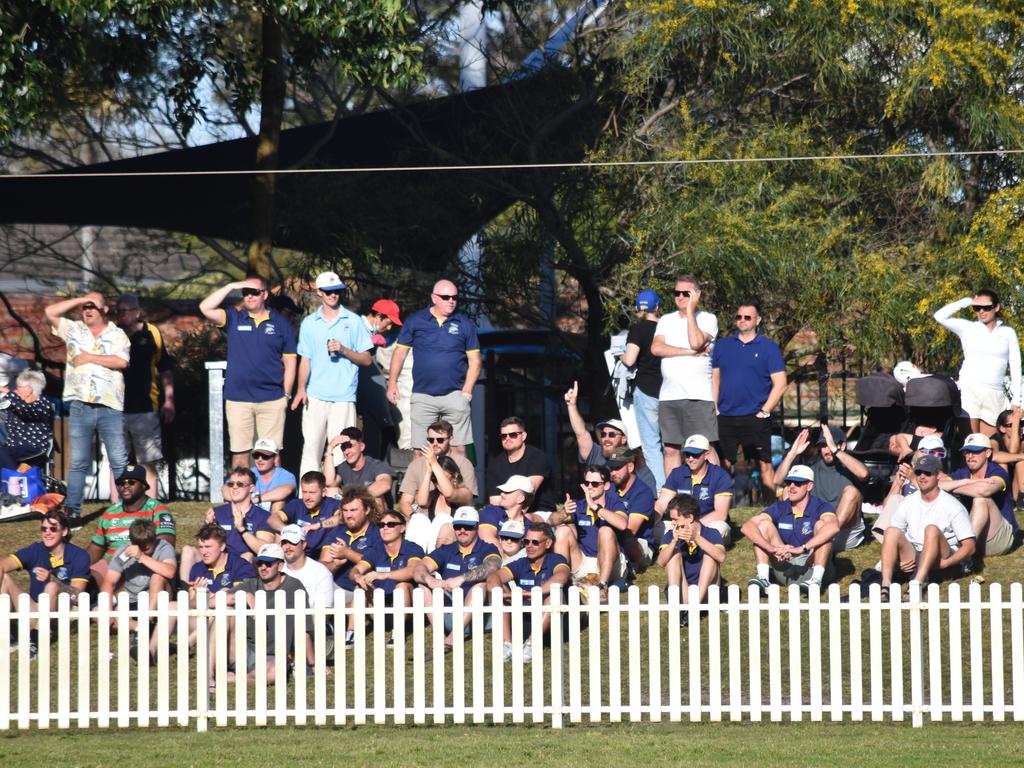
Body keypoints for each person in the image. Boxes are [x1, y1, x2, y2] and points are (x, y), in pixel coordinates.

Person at [45, 291, 130, 523]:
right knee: (79, 462)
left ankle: (128, 509)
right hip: (80, 405)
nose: (88, 310)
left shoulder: (117, 334)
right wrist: (79, 300)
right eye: (85, 307)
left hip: (109, 405)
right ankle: (72, 511)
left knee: (118, 460)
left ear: (105, 309)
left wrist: (89, 357)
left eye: (93, 306)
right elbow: (50, 312)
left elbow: (121, 361)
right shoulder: (74, 329)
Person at [198, 276, 297, 469]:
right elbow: (205, 308)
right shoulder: (234, 317)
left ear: (265, 295)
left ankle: (273, 498)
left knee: (272, 455)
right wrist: (231, 286)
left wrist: (286, 394)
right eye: (246, 293)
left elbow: (290, 361)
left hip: (272, 399)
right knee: (240, 454)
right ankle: (241, 498)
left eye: (255, 292)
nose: (250, 296)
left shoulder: (281, 323)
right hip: (238, 399)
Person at [293, 272, 374, 475]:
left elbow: (367, 359)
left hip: (344, 397)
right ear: (319, 292)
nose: (333, 295)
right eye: (328, 291)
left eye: (337, 290)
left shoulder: (354, 321)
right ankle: (307, 499)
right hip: (315, 395)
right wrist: (301, 389)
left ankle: (339, 500)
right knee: (311, 449)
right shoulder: (309, 323)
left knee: (342, 450)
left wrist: (344, 350)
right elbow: (305, 359)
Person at [388, 279, 481, 454]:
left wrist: (466, 392)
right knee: (420, 451)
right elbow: (400, 353)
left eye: (454, 297)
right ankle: (425, 483)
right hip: (423, 396)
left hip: (455, 394)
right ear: (434, 298)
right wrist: (392, 383)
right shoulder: (416, 320)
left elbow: (475, 360)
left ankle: (454, 482)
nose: (451, 301)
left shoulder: (465, 324)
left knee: (459, 451)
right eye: (445, 297)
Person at [711, 301, 787, 496]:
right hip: (726, 414)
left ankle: (771, 509)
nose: (742, 320)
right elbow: (715, 378)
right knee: (724, 464)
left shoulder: (768, 348)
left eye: (747, 317)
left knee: (764, 463)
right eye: (739, 316)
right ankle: (723, 508)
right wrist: (715, 407)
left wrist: (765, 410)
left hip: (755, 415)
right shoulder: (722, 346)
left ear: (758, 320)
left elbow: (780, 383)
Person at [651, 275, 719, 477]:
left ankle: (716, 493)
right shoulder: (665, 320)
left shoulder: (708, 318)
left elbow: (696, 341)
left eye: (686, 293)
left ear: (696, 295)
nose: (680, 297)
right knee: (671, 449)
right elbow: (656, 348)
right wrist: (689, 352)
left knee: (704, 448)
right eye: (677, 293)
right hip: (669, 395)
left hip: (697, 395)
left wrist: (691, 310)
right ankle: (673, 496)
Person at [880, 454, 977, 594]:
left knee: (931, 529)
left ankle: (917, 584)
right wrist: (898, 563)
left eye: (928, 473)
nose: (922, 477)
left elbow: (970, 547)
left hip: (942, 558)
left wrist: (947, 563)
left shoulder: (953, 505)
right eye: (918, 472)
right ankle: (886, 585)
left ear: (938, 475)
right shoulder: (909, 501)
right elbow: (894, 538)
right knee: (891, 531)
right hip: (916, 554)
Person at [933, 289, 1022, 435]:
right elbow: (939, 316)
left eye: (986, 307)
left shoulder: (1008, 333)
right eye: (977, 308)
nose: (981, 311)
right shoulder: (967, 328)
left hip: (995, 393)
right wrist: (966, 302)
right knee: (969, 442)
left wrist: (1016, 401)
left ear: (996, 307)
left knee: (990, 444)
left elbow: (1016, 367)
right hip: (970, 390)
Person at [741, 465, 839, 594]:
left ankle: (815, 581)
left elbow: (834, 527)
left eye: (797, 483)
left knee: (822, 526)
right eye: (788, 482)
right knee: (763, 525)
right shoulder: (780, 507)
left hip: (811, 564)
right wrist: (771, 548)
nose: (791, 486)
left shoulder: (821, 506)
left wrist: (802, 548)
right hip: (785, 565)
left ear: (809, 486)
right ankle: (763, 579)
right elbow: (746, 527)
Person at [412, 506, 500, 648]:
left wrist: (461, 578)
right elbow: (419, 569)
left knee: (481, 585)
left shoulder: (488, 548)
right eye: (458, 526)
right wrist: (430, 580)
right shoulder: (447, 550)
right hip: (450, 611)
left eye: (468, 527)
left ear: (477, 527)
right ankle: (440, 636)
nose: (462, 531)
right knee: (423, 585)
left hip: (480, 617)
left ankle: (455, 635)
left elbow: (492, 566)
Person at [114, 293, 175, 496]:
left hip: (146, 407)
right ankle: (118, 508)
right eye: (119, 311)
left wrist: (169, 400)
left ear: (138, 312)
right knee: (117, 462)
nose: (123, 315)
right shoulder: (111, 334)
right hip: (114, 408)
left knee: (147, 462)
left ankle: (151, 505)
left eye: (128, 310)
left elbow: (165, 367)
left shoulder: (151, 333)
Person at [228, 543, 315, 685]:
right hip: (244, 650)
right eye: (260, 563)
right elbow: (212, 602)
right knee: (226, 610)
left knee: (275, 673)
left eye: (268, 563)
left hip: (275, 655)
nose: (263, 567)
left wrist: (313, 664)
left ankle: (230, 678)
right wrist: (244, 596)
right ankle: (211, 676)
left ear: (280, 566)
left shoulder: (294, 587)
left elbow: (304, 629)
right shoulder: (251, 584)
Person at [486, 522, 570, 663]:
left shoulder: (556, 560)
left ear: (548, 543)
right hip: (524, 619)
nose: (529, 546)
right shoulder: (521, 563)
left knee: (554, 594)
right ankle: (507, 644)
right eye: (526, 541)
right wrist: (500, 593)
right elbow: (494, 577)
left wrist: (531, 594)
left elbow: (562, 576)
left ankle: (532, 643)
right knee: (498, 588)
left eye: (535, 542)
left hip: (552, 623)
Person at [774, 425, 868, 552]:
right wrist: (792, 454)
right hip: (816, 529)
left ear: (842, 446)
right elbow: (777, 481)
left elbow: (864, 474)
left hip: (845, 533)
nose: (826, 450)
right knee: (788, 490)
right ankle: (793, 535)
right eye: (823, 445)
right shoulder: (813, 468)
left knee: (852, 492)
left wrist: (835, 450)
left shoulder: (850, 465)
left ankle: (823, 538)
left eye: (830, 444)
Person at [99, 519, 177, 656]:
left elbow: (170, 571)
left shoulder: (164, 547)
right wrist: (108, 612)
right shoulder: (125, 551)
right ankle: (140, 628)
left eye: (146, 548)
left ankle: (146, 624)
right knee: (99, 613)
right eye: (139, 547)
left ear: (154, 540)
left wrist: (141, 556)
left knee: (158, 576)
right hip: (132, 600)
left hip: (159, 598)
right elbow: (109, 582)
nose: (144, 551)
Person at [564, 382, 658, 493]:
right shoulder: (597, 454)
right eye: (603, 434)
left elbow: (649, 496)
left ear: (624, 439)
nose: (606, 438)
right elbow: (581, 434)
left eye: (612, 434)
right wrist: (572, 406)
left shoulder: (637, 463)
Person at [88, 465, 176, 582]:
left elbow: (165, 545)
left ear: (144, 486)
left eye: (131, 482)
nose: (126, 486)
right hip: (111, 564)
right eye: (122, 483)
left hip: (141, 563)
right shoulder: (109, 513)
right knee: (86, 577)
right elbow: (95, 549)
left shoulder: (158, 511)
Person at [398, 420, 477, 550]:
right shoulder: (417, 465)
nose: (434, 443)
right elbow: (406, 501)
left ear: (450, 439)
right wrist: (413, 517)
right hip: (423, 521)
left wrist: (434, 464)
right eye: (431, 439)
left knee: (442, 520)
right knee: (418, 520)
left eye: (440, 440)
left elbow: (452, 494)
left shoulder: (463, 464)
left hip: (450, 524)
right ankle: (413, 562)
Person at [549, 465, 627, 596]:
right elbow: (550, 522)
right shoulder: (578, 504)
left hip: (612, 564)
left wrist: (596, 507)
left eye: (595, 483)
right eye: (587, 483)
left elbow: (623, 524)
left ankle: (602, 586)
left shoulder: (614, 502)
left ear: (606, 486)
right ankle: (562, 586)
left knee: (605, 531)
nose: (590, 486)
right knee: (562, 530)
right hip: (583, 560)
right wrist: (563, 513)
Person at [941, 433, 1017, 559]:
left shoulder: (997, 471)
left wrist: (954, 487)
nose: (970, 456)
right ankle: (964, 548)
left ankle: (965, 554)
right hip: (975, 535)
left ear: (987, 453)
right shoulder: (962, 473)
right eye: (966, 452)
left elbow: (984, 491)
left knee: (981, 500)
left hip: (999, 536)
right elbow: (939, 485)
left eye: (975, 452)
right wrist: (969, 482)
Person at [620, 288, 665, 489]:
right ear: (658, 307)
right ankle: (675, 490)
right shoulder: (668, 327)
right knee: (671, 446)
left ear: (638, 307)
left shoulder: (638, 329)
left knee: (651, 445)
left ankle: (660, 491)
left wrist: (620, 354)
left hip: (646, 390)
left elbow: (629, 359)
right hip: (670, 390)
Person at [0, 509, 90, 606]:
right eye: (44, 529)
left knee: (52, 586)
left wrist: (53, 582)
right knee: (4, 578)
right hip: (34, 608)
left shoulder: (80, 556)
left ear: (64, 531)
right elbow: (2, 565)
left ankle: (43, 621)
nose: (47, 533)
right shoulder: (35, 550)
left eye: (53, 529)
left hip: (64, 611)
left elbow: (77, 596)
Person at [319, 485, 384, 620]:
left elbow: (380, 563)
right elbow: (322, 567)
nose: (348, 515)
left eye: (353, 510)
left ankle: (337, 619)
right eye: (345, 510)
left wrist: (347, 553)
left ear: (367, 510)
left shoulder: (378, 532)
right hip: (338, 588)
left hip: (366, 589)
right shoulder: (337, 532)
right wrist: (336, 564)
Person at [655, 434, 734, 543]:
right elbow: (661, 504)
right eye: (687, 454)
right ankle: (685, 541)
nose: (690, 459)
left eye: (695, 455)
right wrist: (653, 520)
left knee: (721, 528)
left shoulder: (720, 476)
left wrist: (692, 527)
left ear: (706, 455)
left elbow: (721, 513)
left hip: (707, 525)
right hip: (679, 524)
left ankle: (682, 541)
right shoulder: (677, 473)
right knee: (656, 528)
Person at [655, 494, 725, 611]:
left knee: (711, 556)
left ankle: (693, 608)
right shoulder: (670, 535)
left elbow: (721, 557)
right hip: (683, 592)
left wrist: (697, 538)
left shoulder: (711, 533)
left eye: (675, 519)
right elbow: (661, 562)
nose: (672, 523)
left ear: (690, 518)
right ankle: (677, 607)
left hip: (707, 593)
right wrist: (673, 542)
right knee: (673, 555)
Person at [197, 468, 275, 568]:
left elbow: (264, 550)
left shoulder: (263, 516)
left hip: (246, 565)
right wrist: (208, 525)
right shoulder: (217, 512)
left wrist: (242, 530)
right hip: (219, 560)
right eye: (231, 484)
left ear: (251, 488)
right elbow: (203, 545)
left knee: (247, 556)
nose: (234, 487)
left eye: (240, 484)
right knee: (188, 551)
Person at [359, 298, 407, 458]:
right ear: (379, 316)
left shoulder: (373, 334)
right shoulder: (357, 327)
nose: (390, 327)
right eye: (388, 322)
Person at [351, 510, 424, 611]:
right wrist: (357, 576)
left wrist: (383, 575)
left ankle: (399, 626)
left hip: (407, 607)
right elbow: (356, 569)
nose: (385, 528)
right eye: (381, 525)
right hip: (379, 603)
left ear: (403, 528)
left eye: (391, 524)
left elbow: (412, 571)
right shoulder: (375, 550)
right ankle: (352, 627)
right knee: (359, 587)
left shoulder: (413, 548)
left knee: (402, 586)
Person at [485, 416, 557, 513]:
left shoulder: (537, 458)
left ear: (523, 436)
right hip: (507, 514)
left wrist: (513, 520)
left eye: (513, 435)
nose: (507, 438)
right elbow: (495, 501)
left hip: (540, 511)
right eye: (503, 436)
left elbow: (527, 496)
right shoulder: (495, 464)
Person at [605, 447, 657, 571]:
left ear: (630, 467)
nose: (613, 473)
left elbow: (631, 530)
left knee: (628, 537)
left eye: (617, 468)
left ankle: (630, 566)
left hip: (639, 543)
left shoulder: (643, 492)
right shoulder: (610, 487)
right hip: (612, 536)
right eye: (611, 468)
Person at [274, 471, 341, 559]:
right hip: (298, 553)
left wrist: (317, 525)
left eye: (312, 493)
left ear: (324, 492)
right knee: (279, 533)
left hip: (322, 555)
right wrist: (289, 531)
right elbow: (272, 519)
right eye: (304, 492)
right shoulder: (296, 504)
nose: (307, 497)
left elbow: (341, 518)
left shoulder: (332, 505)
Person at [322, 426, 394, 508]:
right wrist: (330, 448)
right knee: (331, 491)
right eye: (343, 447)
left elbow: (385, 485)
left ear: (361, 447)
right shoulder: (343, 467)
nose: (346, 451)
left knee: (377, 498)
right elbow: (329, 482)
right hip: (352, 509)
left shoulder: (375, 465)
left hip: (373, 511)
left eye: (350, 446)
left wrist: (356, 499)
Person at [0, 369, 54, 470]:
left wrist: (7, 392)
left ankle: (13, 479)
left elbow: (26, 410)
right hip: (12, 448)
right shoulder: (15, 404)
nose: (15, 391)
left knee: (1, 452)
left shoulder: (43, 404)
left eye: (18, 387)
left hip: (33, 446)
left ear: (29, 389)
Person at [280, 524, 336, 609]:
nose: (287, 547)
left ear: (304, 545)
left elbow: (323, 613)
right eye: (284, 543)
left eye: (293, 542)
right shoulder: (275, 569)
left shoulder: (321, 572)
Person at [478, 474, 536, 545]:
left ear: (520, 498)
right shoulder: (491, 511)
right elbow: (487, 539)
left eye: (507, 492)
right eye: (502, 491)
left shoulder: (530, 526)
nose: (502, 494)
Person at [249, 438, 296, 516]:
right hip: (252, 517)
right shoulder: (248, 473)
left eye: (265, 456)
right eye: (256, 455)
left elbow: (286, 490)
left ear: (275, 458)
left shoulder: (286, 475)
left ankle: (271, 528)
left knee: (279, 501)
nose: (260, 459)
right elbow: (226, 489)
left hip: (275, 517)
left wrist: (257, 499)